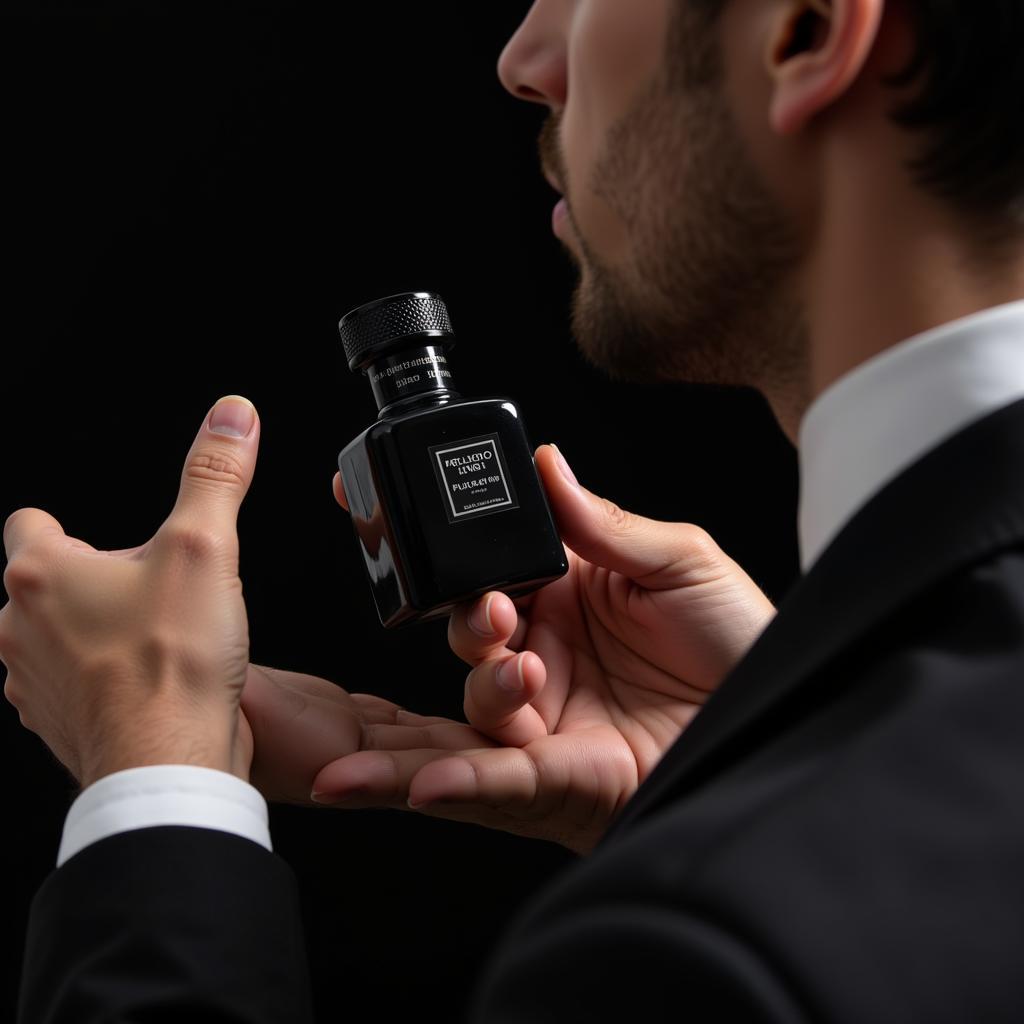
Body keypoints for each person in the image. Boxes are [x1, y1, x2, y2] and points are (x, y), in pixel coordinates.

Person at [6, 0, 1024, 1019]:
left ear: (803, 32)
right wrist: (769, 767)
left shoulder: (712, 947)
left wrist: (153, 782)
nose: (522, 61)